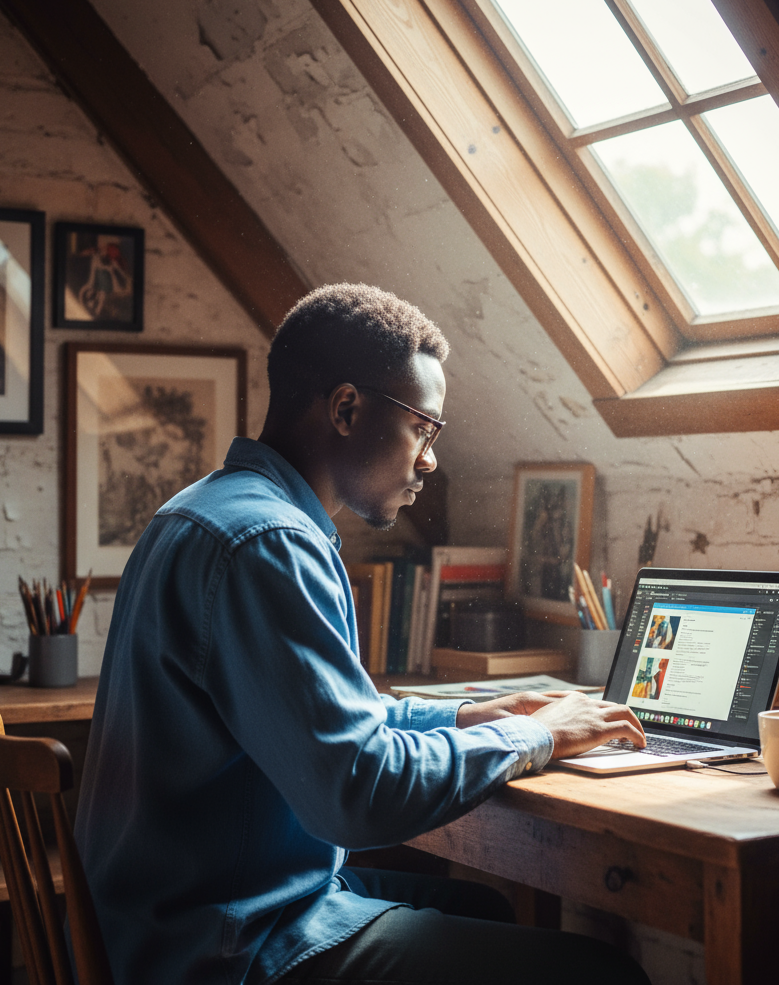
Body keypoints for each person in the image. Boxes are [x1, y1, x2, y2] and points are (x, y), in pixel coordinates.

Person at [75, 283, 649, 985]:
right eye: (423, 429)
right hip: (230, 943)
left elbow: (330, 721)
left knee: (484, 909)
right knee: (601, 973)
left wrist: (475, 714)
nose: (430, 461)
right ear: (346, 408)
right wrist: (541, 737)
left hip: (179, 915)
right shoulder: (268, 544)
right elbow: (359, 794)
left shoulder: (201, 512)